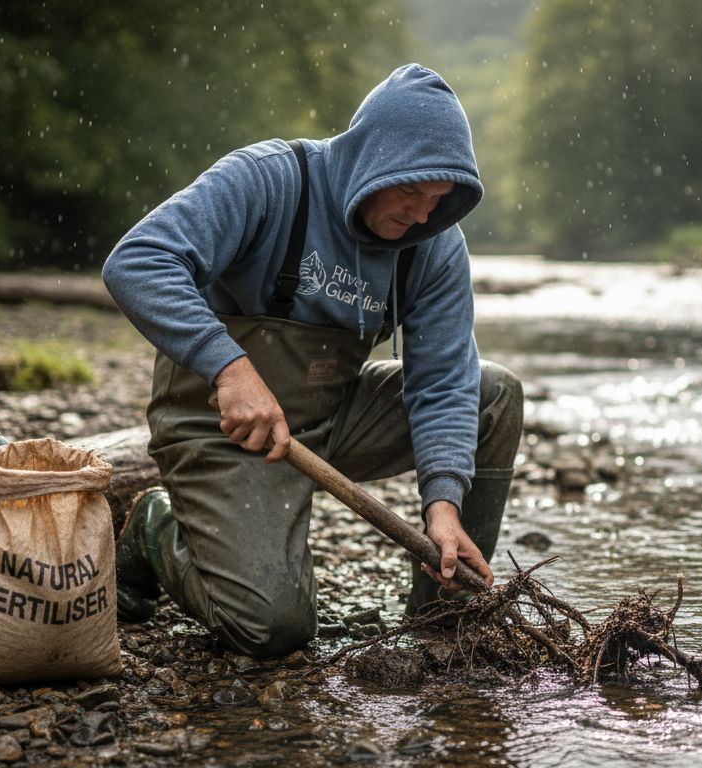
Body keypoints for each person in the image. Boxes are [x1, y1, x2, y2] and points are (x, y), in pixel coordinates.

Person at [102, 63, 523, 658]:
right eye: (411, 191)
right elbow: (138, 261)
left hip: (332, 416)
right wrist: (230, 368)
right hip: (221, 426)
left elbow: (445, 379)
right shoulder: (268, 179)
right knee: (272, 629)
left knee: (493, 393)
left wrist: (443, 501)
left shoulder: (433, 244)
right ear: (374, 158)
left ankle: (443, 625)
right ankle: (155, 527)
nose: (422, 215)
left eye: (438, 201)